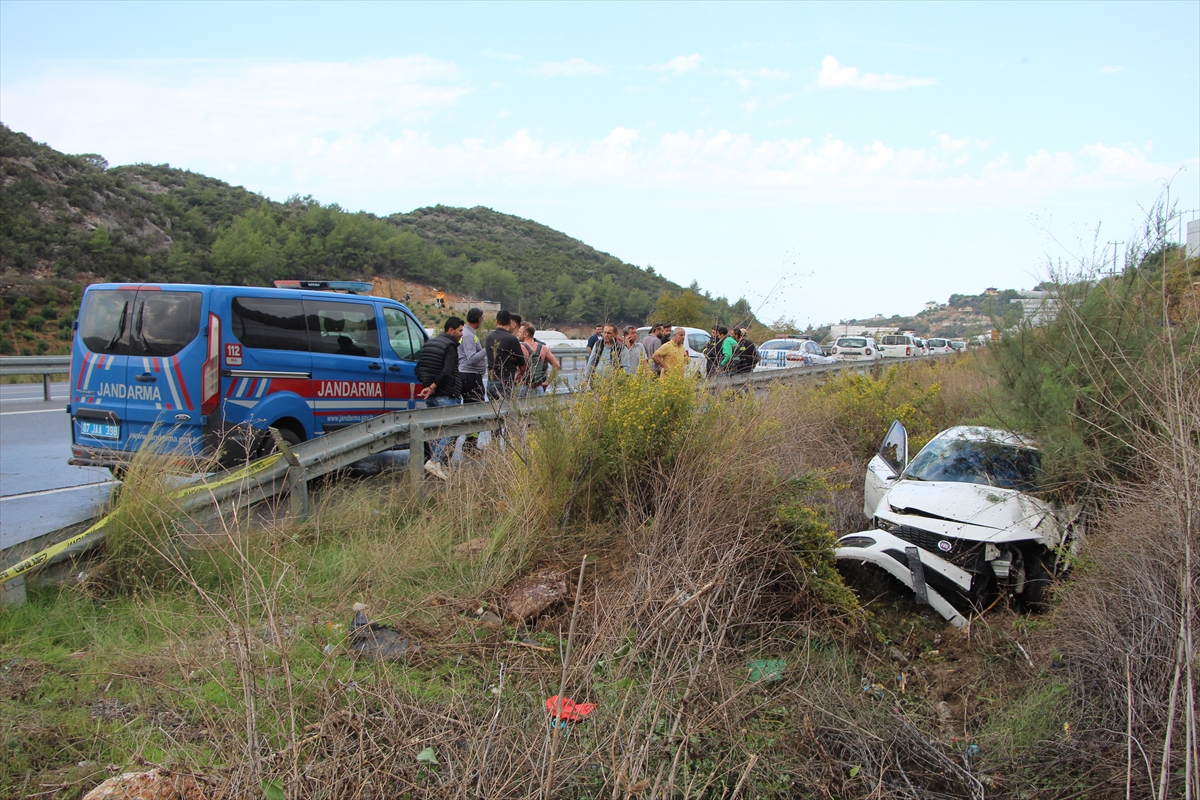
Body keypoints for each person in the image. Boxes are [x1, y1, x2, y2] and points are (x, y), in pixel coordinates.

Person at [415, 317, 464, 480]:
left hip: (431, 396)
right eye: (460, 330)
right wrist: (434, 386)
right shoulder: (450, 345)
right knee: (451, 428)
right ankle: (435, 461)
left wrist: (427, 385)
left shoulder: (429, 344)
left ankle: (437, 466)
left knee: (436, 432)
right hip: (447, 393)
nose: (461, 334)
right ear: (451, 330)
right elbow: (447, 371)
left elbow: (418, 368)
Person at [485, 309, 523, 400]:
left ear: (496, 322)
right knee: (505, 411)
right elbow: (521, 361)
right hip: (505, 381)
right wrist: (514, 359)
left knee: (493, 411)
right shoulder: (512, 339)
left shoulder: (488, 338)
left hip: (491, 381)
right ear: (510, 322)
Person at [516, 321, 561, 397]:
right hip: (538, 387)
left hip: (522, 386)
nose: (517, 334)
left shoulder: (520, 348)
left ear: (525, 334)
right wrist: (547, 382)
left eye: (519, 332)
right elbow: (556, 365)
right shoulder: (543, 348)